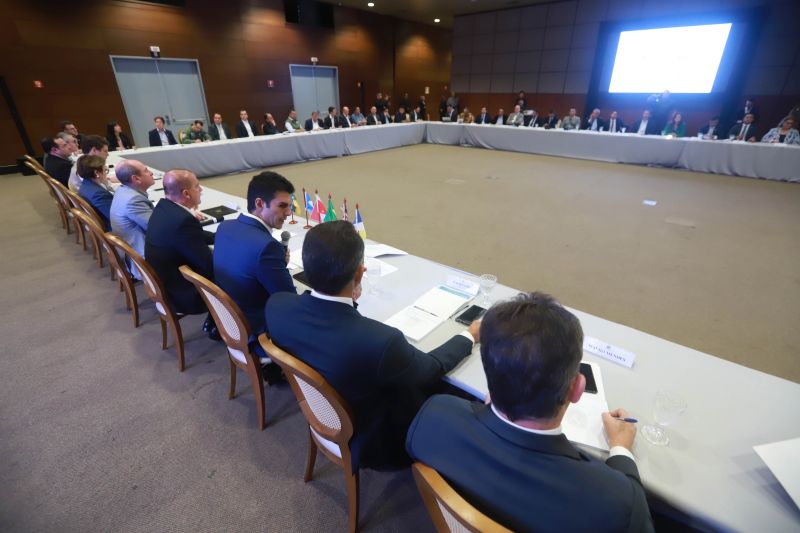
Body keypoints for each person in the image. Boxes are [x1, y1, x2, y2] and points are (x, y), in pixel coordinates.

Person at [407, 292, 654, 532]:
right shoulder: (615, 503)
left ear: (490, 376)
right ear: (577, 389)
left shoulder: (433, 415)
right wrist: (621, 448)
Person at [265, 221, 477, 470]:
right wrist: (470, 335)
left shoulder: (277, 307)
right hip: (377, 442)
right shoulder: (380, 341)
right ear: (359, 273)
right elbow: (430, 368)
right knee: (457, 389)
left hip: (324, 413)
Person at [214, 172, 296, 350]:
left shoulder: (225, 226)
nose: (289, 213)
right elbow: (289, 300)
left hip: (229, 319)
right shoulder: (268, 247)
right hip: (257, 329)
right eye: (282, 206)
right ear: (259, 203)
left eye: (289, 206)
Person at [145, 169, 216, 320]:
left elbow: (194, 235)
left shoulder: (164, 207)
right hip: (182, 293)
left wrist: (222, 237)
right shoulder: (183, 220)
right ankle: (223, 325)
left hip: (167, 282)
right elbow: (208, 265)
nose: (201, 190)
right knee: (240, 277)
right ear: (186, 193)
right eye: (197, 186)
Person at [109, 160, 155, 274]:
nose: (151, 173)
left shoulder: (123, 190)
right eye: (146, 170)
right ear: (136, 179)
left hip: (133, 248)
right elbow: (158, 229)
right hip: (143, 259)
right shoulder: (133, 200)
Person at [77, 155, 114, 230]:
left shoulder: (85, 185)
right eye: (105, 170)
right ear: (97, 173)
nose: (105, 173)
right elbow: (115, 217)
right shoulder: (99, 194)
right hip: (113, 227)